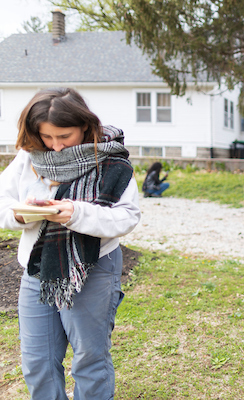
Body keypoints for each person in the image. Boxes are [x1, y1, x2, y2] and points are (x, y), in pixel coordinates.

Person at [0, 87, 140, 400]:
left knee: (89, 359)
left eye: (65, 136)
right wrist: (23, 215)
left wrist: (75, 213)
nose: (56, 145)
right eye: (48, 137)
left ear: (85, 126)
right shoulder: (29, 157)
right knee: (37, 362)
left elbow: (127, 217)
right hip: (37, 270)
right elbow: (2, 203)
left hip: (92, 267)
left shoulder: (111, 162)